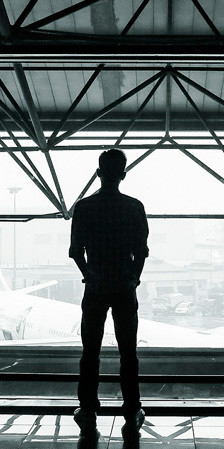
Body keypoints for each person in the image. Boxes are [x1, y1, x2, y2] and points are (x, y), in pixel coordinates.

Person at [69, 149, 149, 434]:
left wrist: (88, 274)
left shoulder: (84, 207)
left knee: (90, 351)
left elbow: (76, 252)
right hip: (124, 286)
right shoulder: (134, 207)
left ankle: (88, 408)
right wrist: (134, 279)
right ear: (123, 175)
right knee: (129, 352)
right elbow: (141, 252)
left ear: (98, 173)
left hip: (96, 285)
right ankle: (131, 409)